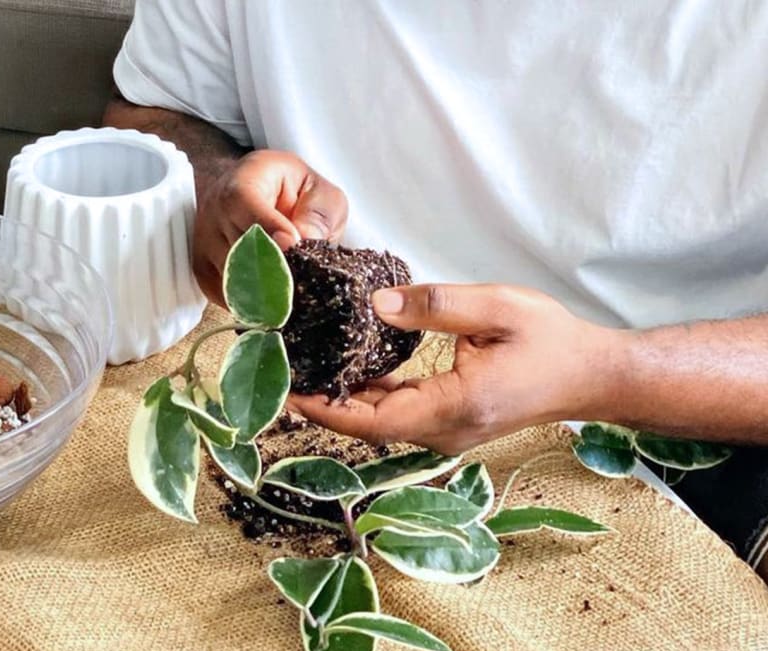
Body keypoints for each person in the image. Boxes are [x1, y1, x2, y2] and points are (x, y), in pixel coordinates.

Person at [103, 1, 768, 578]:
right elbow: (154, 115)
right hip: (288, 395)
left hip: (684, 417)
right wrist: (216, 185)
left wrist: (606, 371)